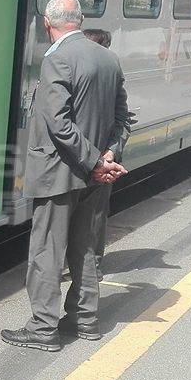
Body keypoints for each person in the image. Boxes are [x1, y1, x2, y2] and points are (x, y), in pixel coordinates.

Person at [2, 0, 130, 351]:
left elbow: (58, 123)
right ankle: (84, 320)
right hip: (96, 175)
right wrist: (107, 156)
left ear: (47, 21)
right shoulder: (108, 57)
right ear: (81, 19)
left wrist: (93, 161)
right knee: (86, 248)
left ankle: (43, 328)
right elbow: (123, 118)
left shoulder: (58, 58)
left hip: (60, 172)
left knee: (47, 251)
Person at [82, 27, 116, 280]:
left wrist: (110, 153)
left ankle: (92, 263)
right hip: (82, 157)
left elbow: (121, 119)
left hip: (99, 158)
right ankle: (83, 261)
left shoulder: (110, 77)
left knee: (95, 213)